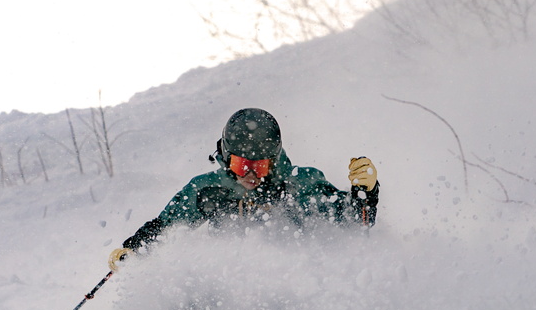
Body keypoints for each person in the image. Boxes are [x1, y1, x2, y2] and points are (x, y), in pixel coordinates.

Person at [108, 107, 379, 269]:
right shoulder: (208, 190)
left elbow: (354, 221)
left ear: (273, 162)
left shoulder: (299, 185)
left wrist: (365, 193)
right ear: (227, 157)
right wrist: (135, 248)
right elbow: (169, 225)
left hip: (295, 275)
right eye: (241, 165)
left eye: (260, 166)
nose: (251, 176)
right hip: (231, 281)